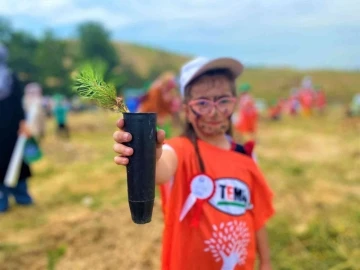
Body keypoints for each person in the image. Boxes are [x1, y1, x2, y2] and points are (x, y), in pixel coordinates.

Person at [113, 57, 275, 270]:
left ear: (234, 103)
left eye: (223, 100)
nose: (214, 112)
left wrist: (265, 262)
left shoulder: (246, 157)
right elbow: (161, 169)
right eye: (202, 103)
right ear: (187, 110)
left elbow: (257, 216)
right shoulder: (180, 150)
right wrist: (146, 157)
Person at [0, 44, 33, 213]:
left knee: (16, 162)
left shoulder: (10, 78)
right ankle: (2, 201)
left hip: (12, 130)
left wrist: (23, 123)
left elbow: (18, 104)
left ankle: (22, 196)